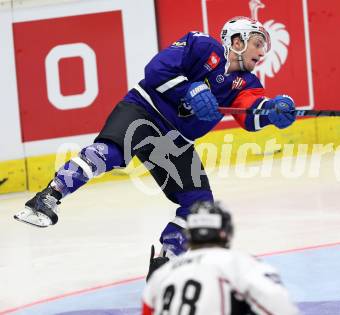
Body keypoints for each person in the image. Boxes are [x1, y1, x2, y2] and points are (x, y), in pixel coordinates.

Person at [14, 16, 296, 258]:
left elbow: (249, 112)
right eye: (258, 43)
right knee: (108, 153)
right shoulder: (201, 45)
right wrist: (188, 91)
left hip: (175, 141)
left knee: (199, 206)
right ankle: (46, 199)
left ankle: (166, 264)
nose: (262, 52)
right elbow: (156, 70)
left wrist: (272, 112)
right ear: (237, 41)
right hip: (143, 110)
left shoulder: (247, 83)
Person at [142, 201, 300, 315]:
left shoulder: (162, 274)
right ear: (227, 232)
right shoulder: (241, 264)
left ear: (189, 234)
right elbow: (282, 307)